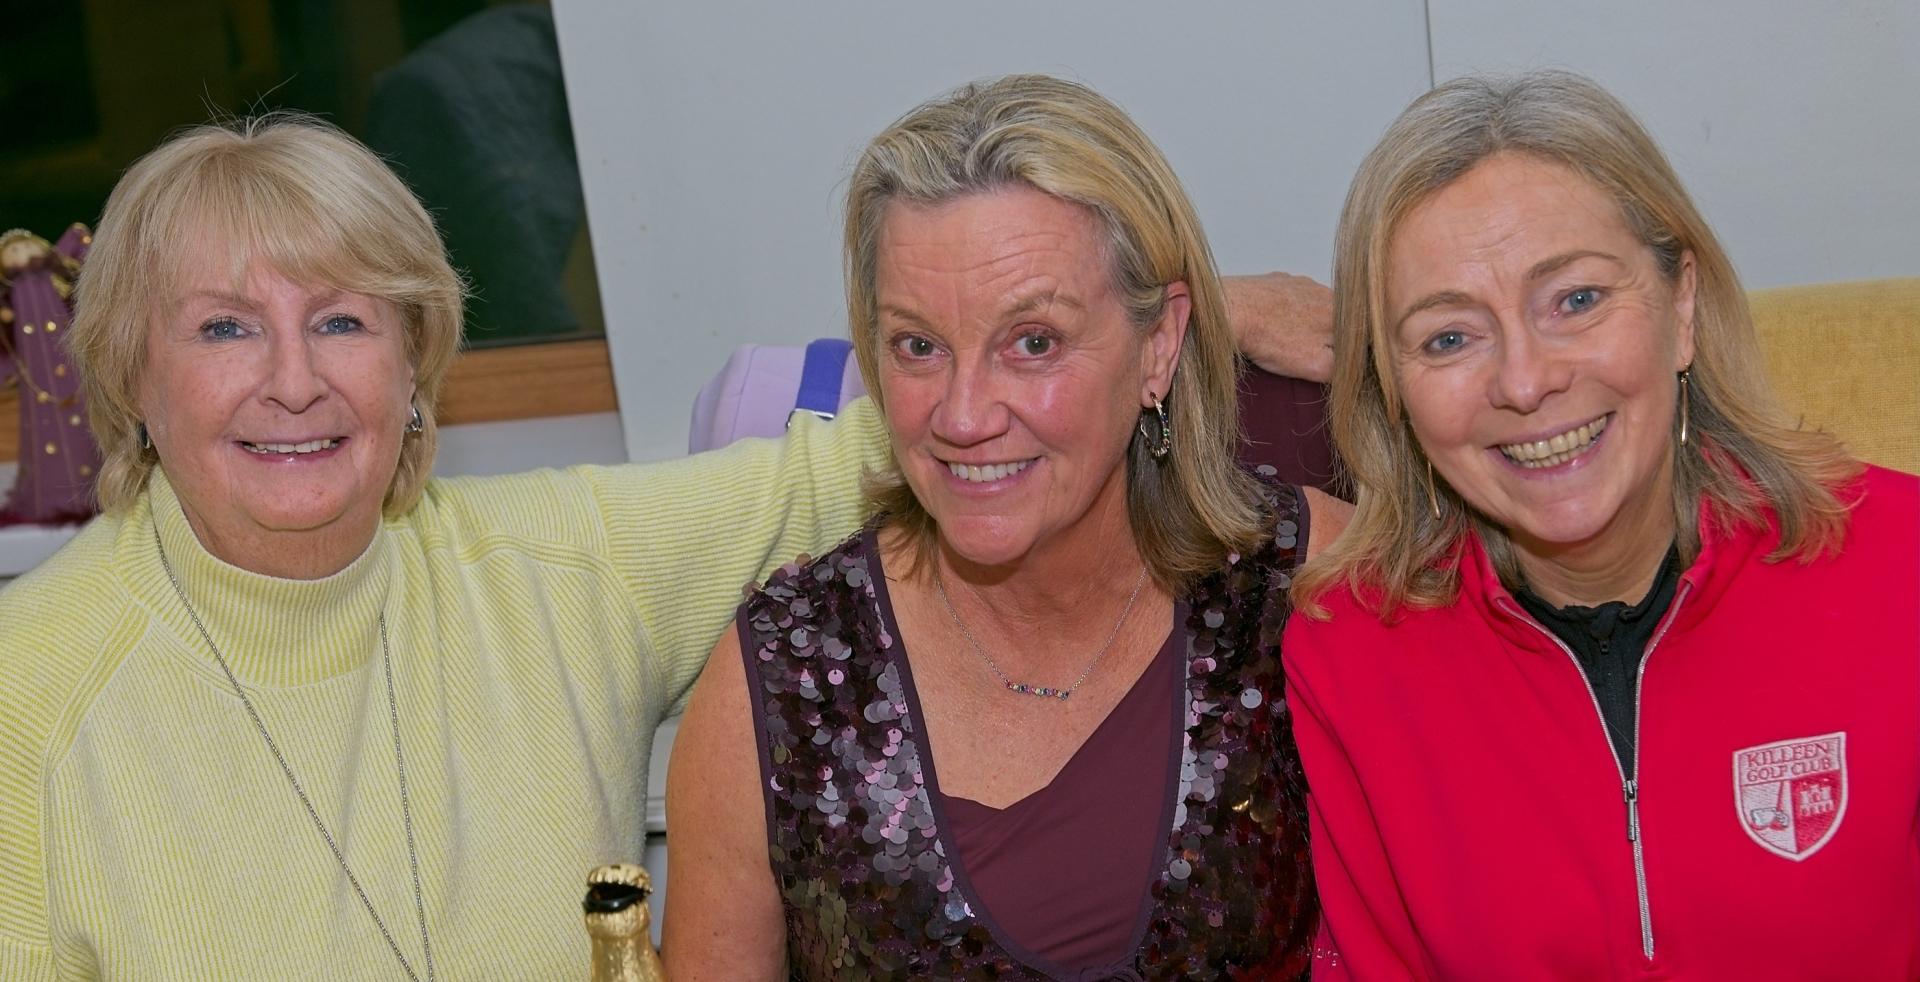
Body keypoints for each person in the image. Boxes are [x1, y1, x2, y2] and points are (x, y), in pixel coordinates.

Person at [0, 116, 1334, 979]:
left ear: (417, 363)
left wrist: (1179, 322)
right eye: (224, 328)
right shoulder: (33, 686)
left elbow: (923, 434)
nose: (294, 382)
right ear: (128, 372)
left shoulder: (556, 567)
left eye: (344, 321)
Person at [664, 74, 1350, 980]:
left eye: (1033, 342)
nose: (962, 416)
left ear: (1158, 344)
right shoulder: (776, 686)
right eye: (918, 346)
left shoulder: (1313, 583)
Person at [1285, 70, 1919, 979]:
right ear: (1394, 390)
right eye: (1449, 337)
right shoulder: (1349, 655)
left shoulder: (1902, 565)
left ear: (1682, 306)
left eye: (1576, 300)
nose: (1525, 381)